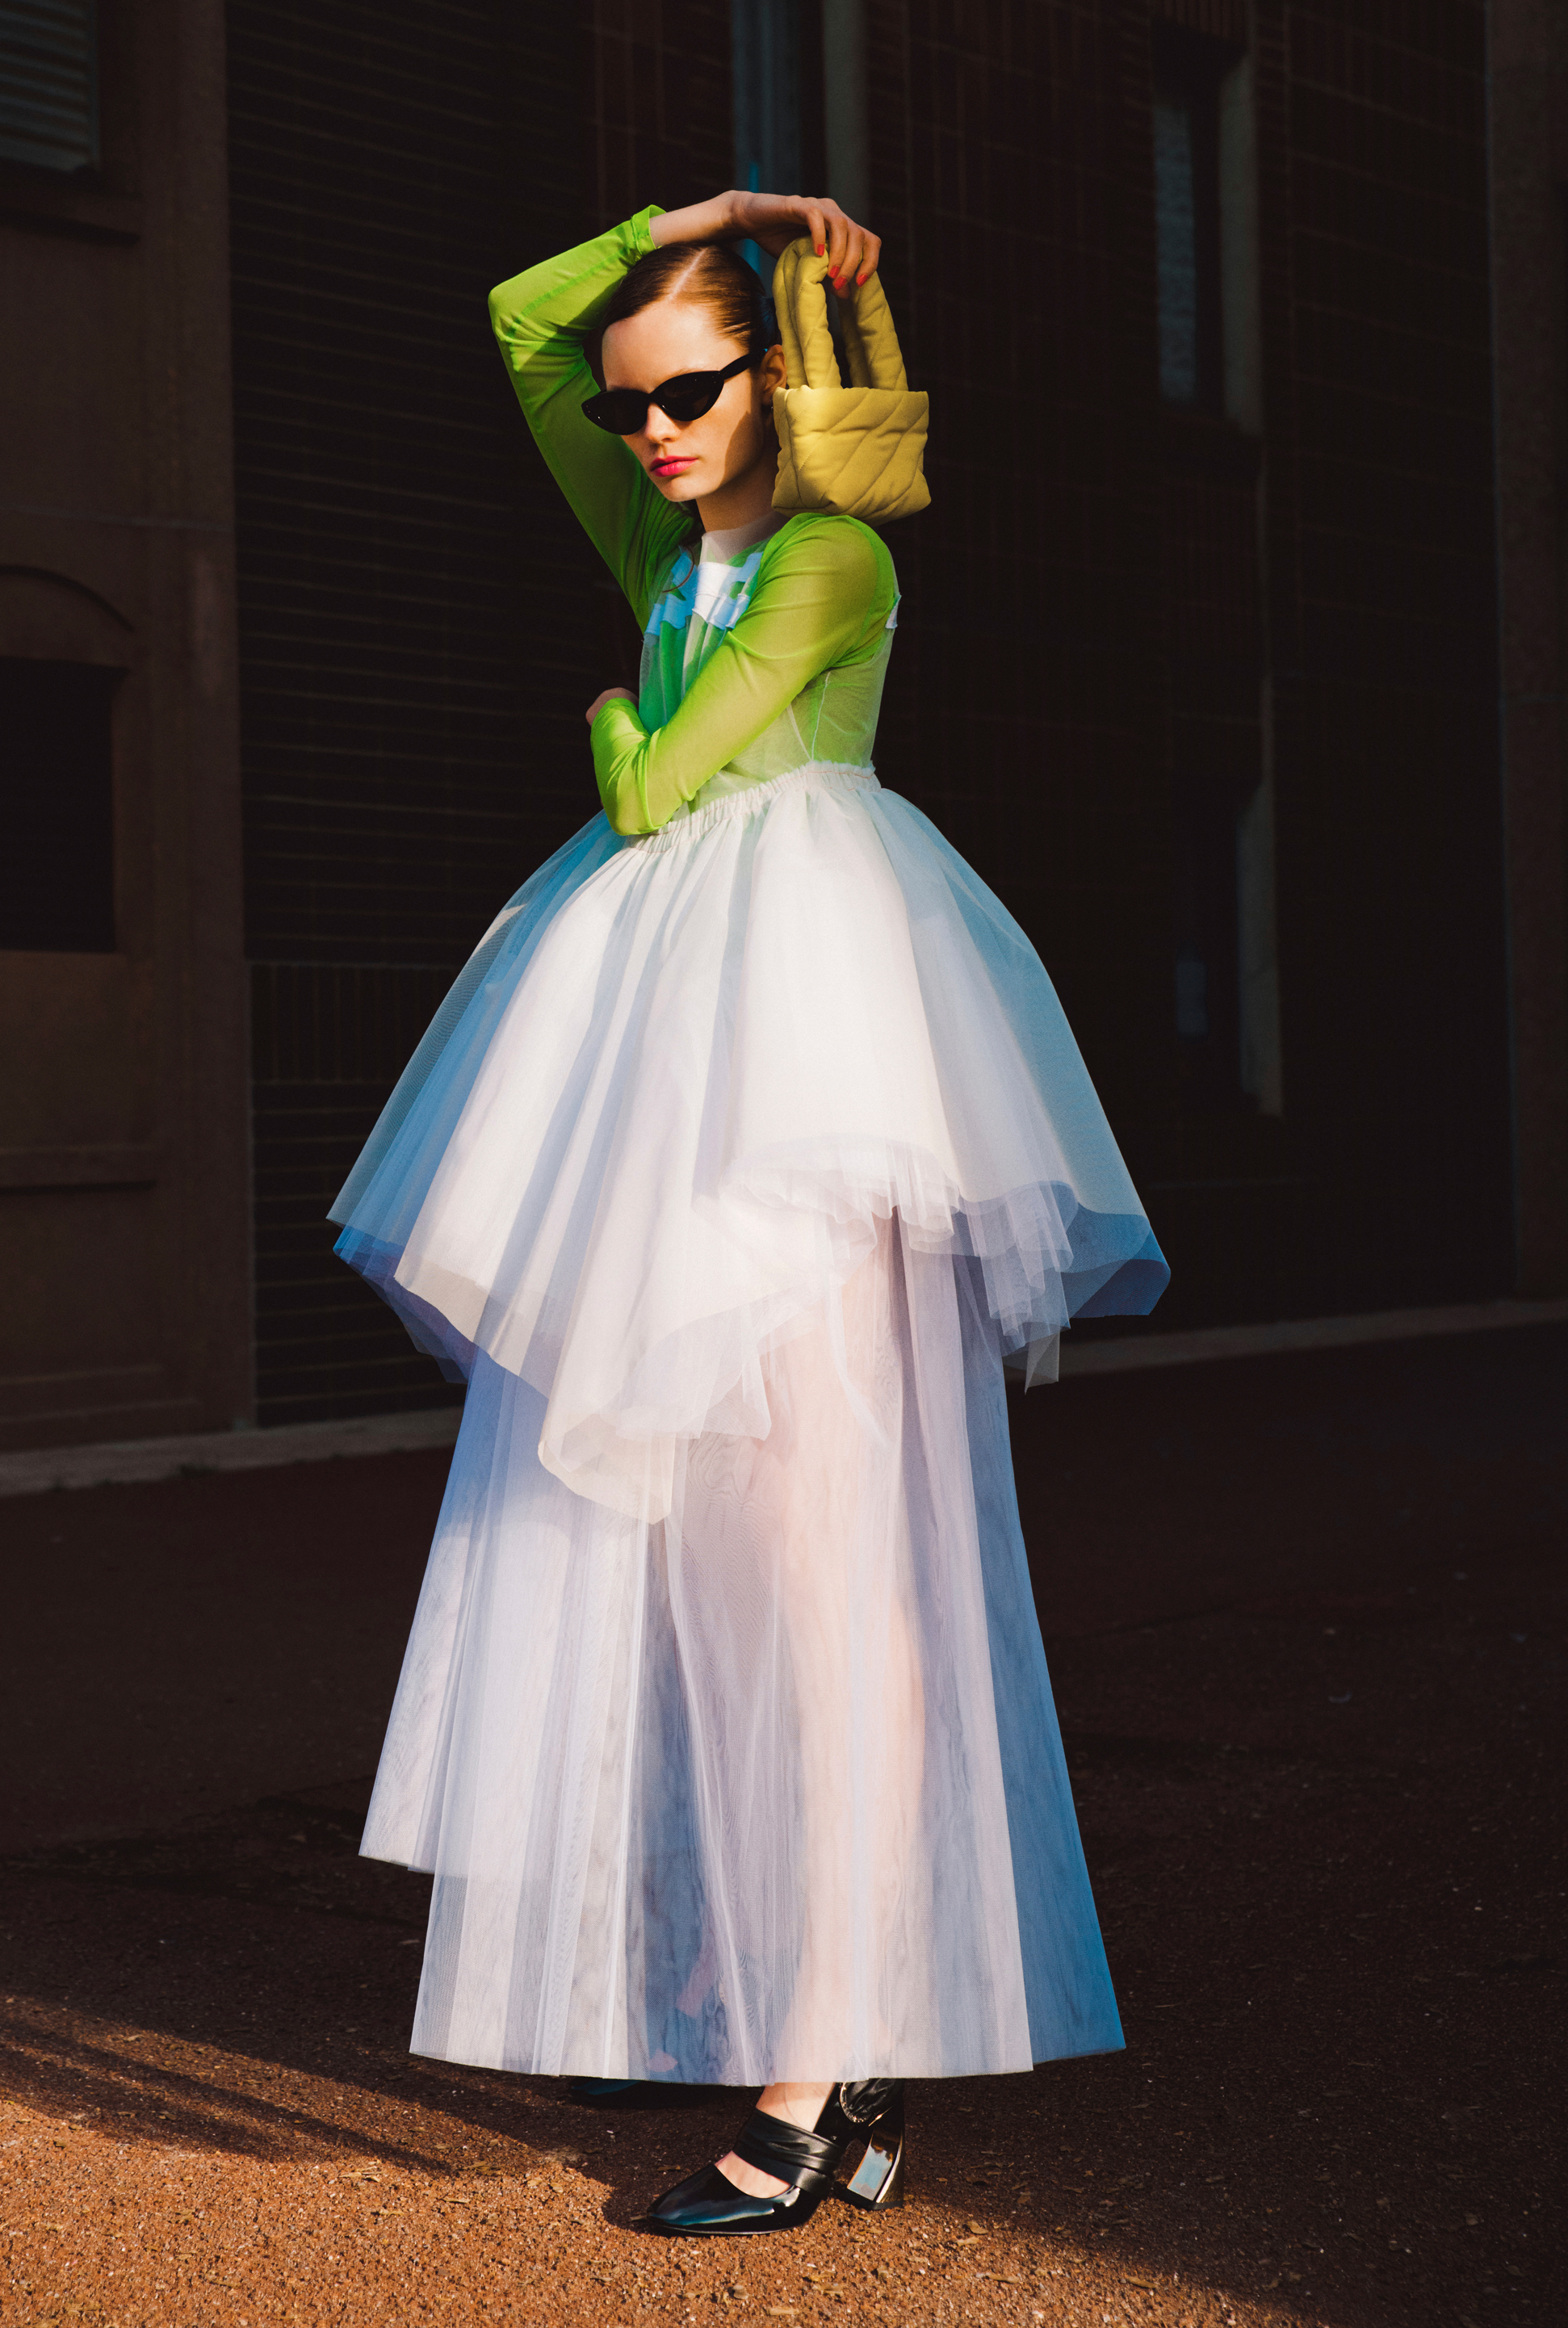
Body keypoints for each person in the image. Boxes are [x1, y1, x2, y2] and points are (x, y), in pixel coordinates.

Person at [329, 188, 1167, 2238]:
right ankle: (758, 1997)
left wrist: (613, 722)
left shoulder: (829, 558)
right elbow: (520, 325)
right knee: (700, 1532)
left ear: (773, 376)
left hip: (819, 1067)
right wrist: (702, 218)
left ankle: (832, 2072)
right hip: (676, 1073)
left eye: (691, 391)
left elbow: (653, 790)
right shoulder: (667, 539)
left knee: (826, 1566)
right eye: (634, 408)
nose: (651, 432)